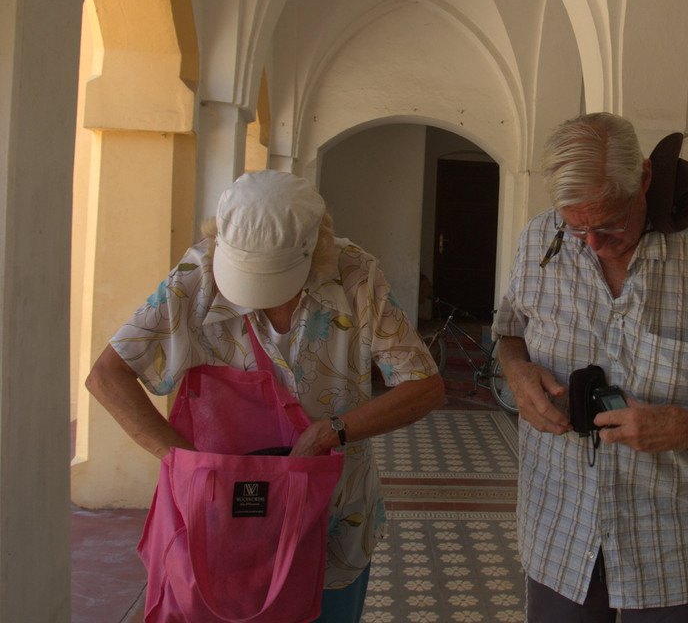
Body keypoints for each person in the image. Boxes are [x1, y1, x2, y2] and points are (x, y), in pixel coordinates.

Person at [86, 169, 445, 622]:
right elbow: (106, 376)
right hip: (221, 523)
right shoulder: (196, 276)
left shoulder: (355, 276)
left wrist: (331, 432)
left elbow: (425, 387)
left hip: (330, 517)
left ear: (315, 249)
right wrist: (187, 465)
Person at [493, 112, 688, 622]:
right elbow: (510, 332)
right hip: (558, 525)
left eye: (611, 222)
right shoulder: (538, 240)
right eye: (576, 226)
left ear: (645, 181)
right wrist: (517, 371)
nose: (592, 242)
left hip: (675, 539)